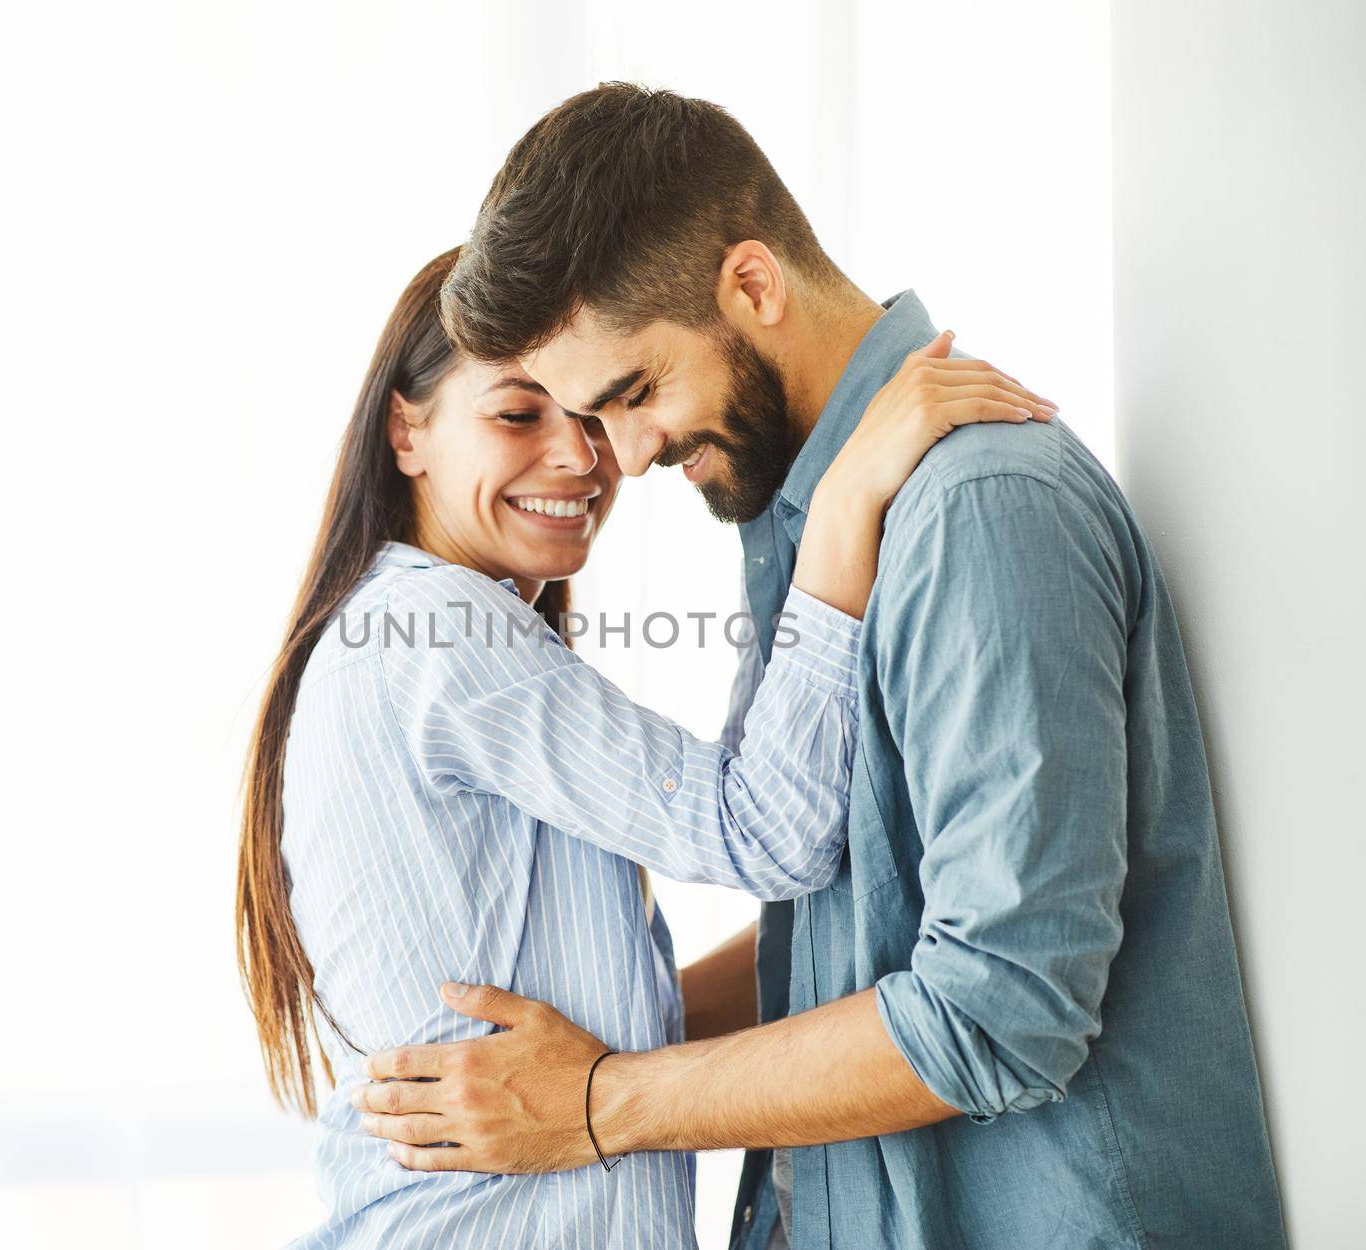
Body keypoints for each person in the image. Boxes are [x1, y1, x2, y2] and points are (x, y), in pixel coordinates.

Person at [355, 85, 1288, 1249]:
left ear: (752, 286)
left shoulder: (976, 509)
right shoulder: (813, 530)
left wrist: (605, 1102)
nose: (626, 458)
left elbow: (1003, 1009)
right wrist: (554, 1072)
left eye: (634, 394)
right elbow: (853, 932)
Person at [236, 246, 1050, 1249]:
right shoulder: (438, 630)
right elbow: (766, 829)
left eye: (585, 413)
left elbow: (604, 1024)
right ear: (407, 429)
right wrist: (839, 512)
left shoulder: (409, 631)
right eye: (515, 414)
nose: (584, 456)